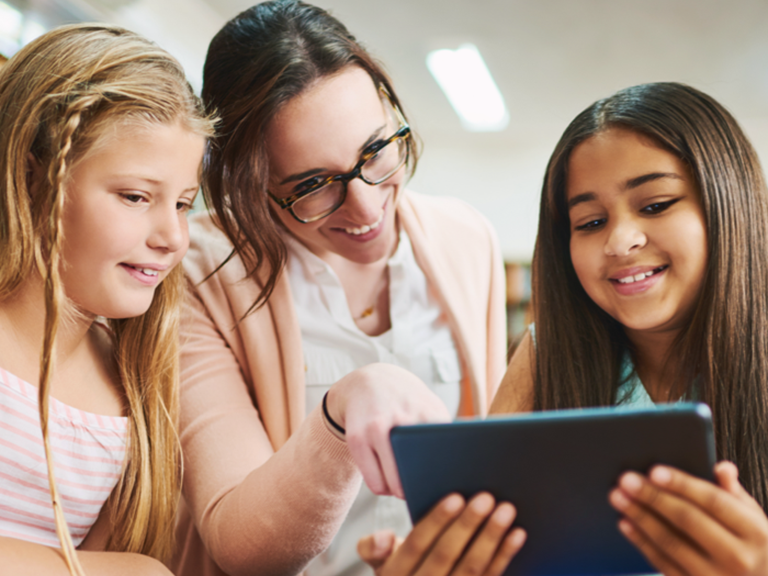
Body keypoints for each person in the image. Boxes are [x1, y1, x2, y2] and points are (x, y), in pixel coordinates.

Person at [172, 1, 514, 575]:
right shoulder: (197, 272)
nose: (365, 205)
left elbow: (492, 457)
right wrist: (344, 406)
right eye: (313, 184)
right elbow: (241, 544)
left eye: (376, 151)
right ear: (249, 183)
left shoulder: (467, 238)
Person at [490, 82, 768, 575]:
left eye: (656, 205)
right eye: (591, 222)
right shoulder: (544, 355)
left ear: (729, 204)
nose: (619, 241)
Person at [0, 24, 213, 575]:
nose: (172, 236)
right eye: (136, 197)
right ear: (33, 176)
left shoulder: (130, 387)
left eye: (183, 204)